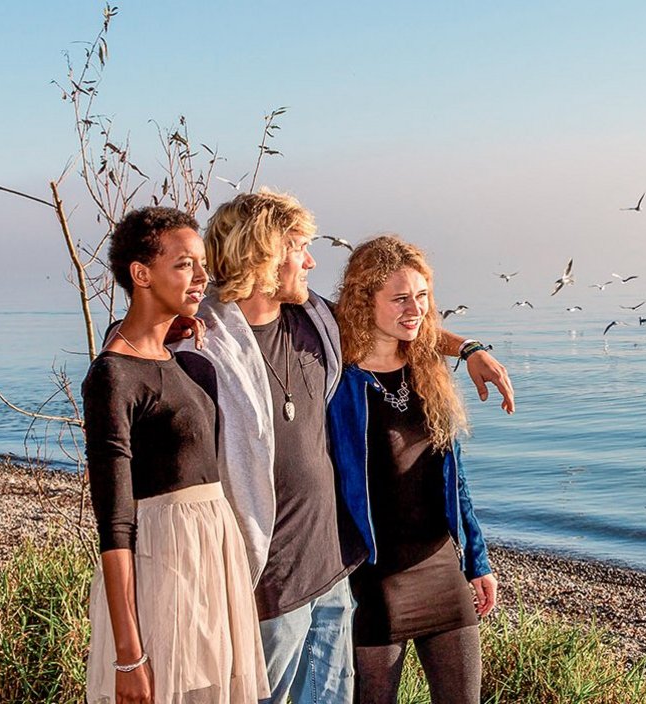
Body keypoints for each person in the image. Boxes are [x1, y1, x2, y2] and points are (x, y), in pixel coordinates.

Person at [175, 191, 512, 704]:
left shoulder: (352, 339)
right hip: (314, 578)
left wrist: (469, 348)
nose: (311, 260)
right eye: (298, 248)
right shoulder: (236, 348)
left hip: (376, 569)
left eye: (422, 297)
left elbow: (448, 468)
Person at [81, 207, 267, 704]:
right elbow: (115, 522)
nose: (202, 277)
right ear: (141, 274)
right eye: (184, 264)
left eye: (200, 263)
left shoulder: (173, 354)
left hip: (210, 556)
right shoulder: (112, 376)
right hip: (164, 563)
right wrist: (128, 654)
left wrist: (177, 333)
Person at [327, 235, 495, 703]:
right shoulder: (336, 380)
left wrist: (477, 561)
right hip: (375, 579)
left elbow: (453, 479)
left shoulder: (426, 370)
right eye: (400, 298)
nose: (414, 308)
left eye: (421, 296)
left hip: (442, 567)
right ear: (365, 301)